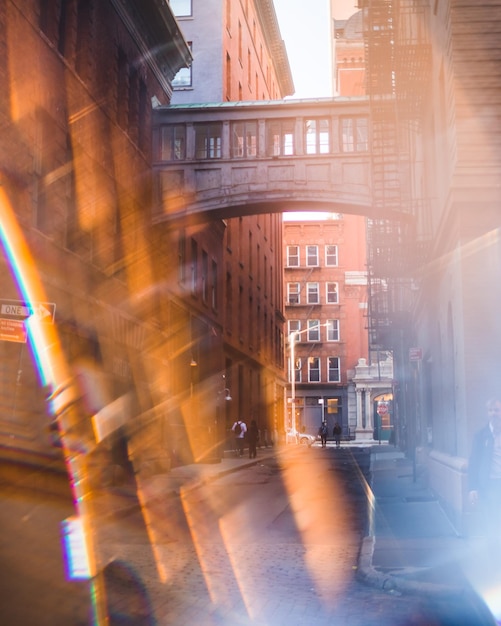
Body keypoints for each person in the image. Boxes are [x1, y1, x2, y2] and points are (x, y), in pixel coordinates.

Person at [468, 397, 501, 543]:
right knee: (491, 518)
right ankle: (494, 553)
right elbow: (473, 462)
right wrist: (473, 488)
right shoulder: (481, 436)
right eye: (491, 410)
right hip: (489, 485)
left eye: (497, 410)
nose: (493, 413)